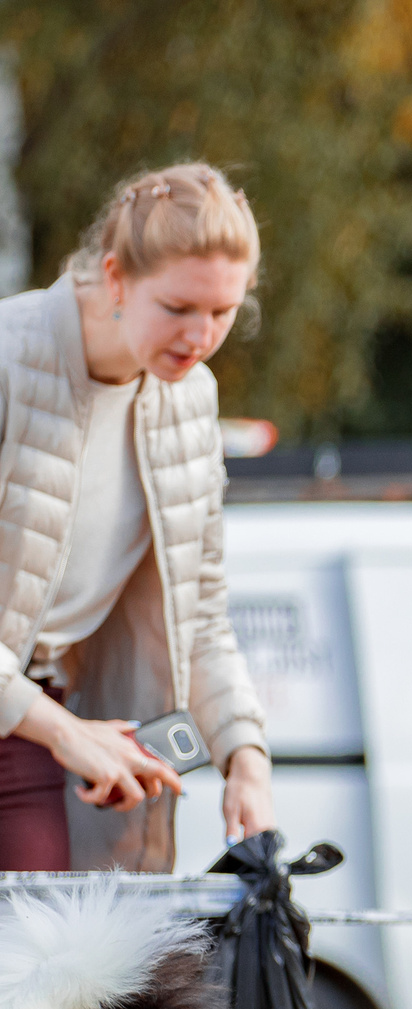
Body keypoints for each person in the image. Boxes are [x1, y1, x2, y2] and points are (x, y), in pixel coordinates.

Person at [0, 163, 273, 872]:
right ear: (115, 278)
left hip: (34, 720)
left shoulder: (191, 401)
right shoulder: (8, 360)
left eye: (224, 312)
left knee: (63, 941)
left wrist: (245, 757)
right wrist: (67, 734)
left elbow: (198, 614)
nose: (201, 335)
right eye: (179, 307)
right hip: (38, 721)